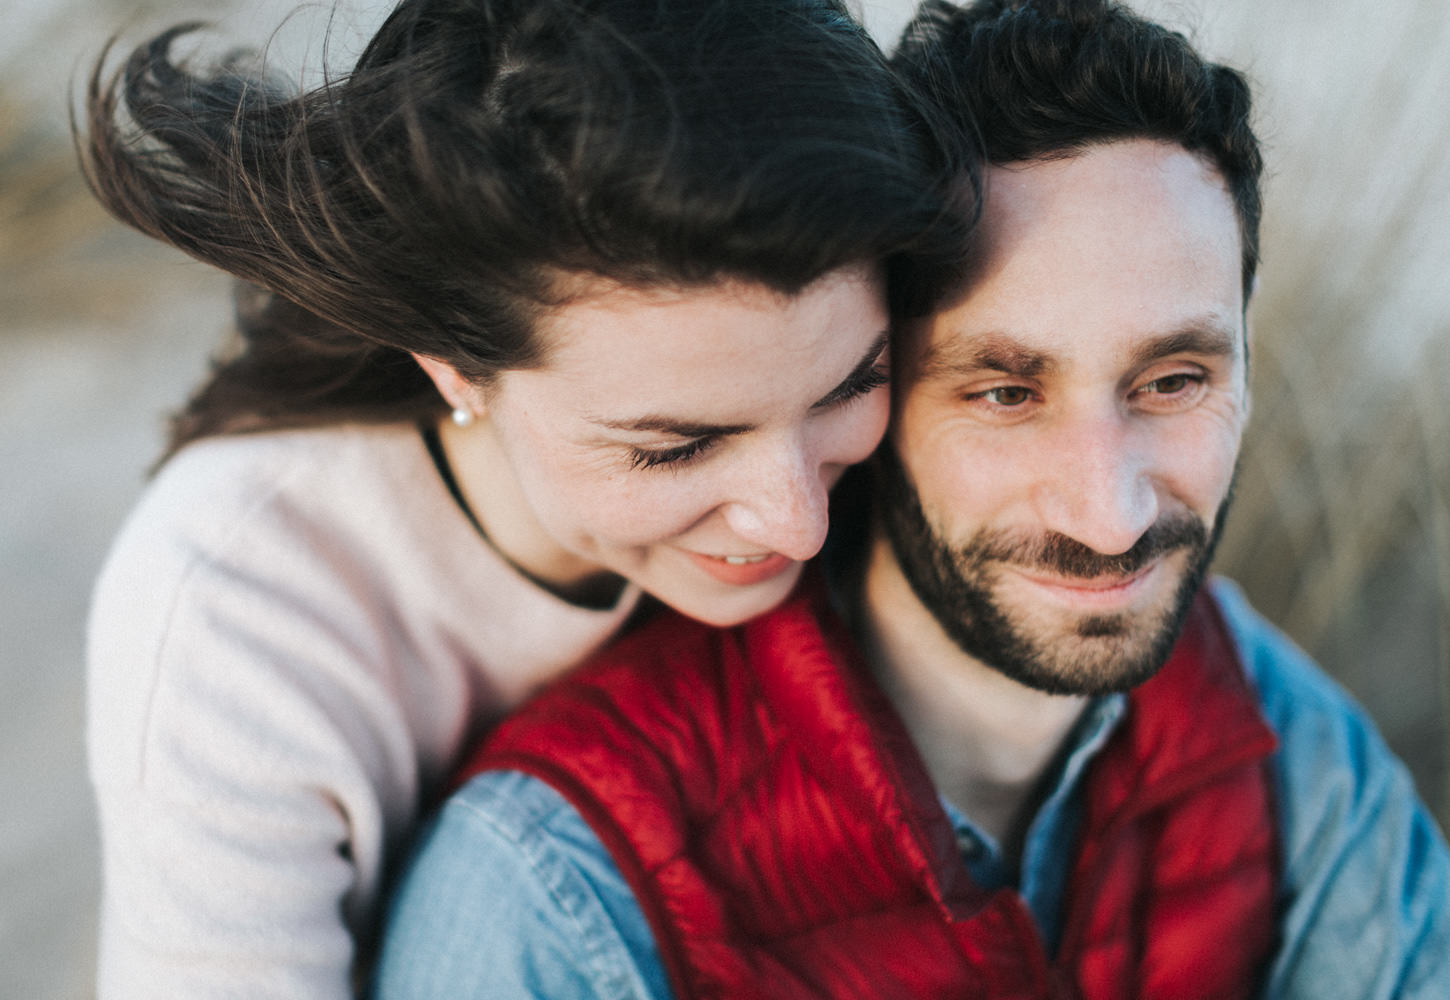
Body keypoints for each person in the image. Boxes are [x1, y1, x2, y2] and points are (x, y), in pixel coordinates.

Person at [371, 0, 1450, 996]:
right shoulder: (560, 888)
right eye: (1006, 391)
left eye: (1174, 381)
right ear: (866, 381)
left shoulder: (1263, 719)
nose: (1111, 515)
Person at [77, 0, 969, 994]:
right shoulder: (234, 612)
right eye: (677, 449)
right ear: (456, 368)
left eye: (850, 387)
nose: (798, 521)